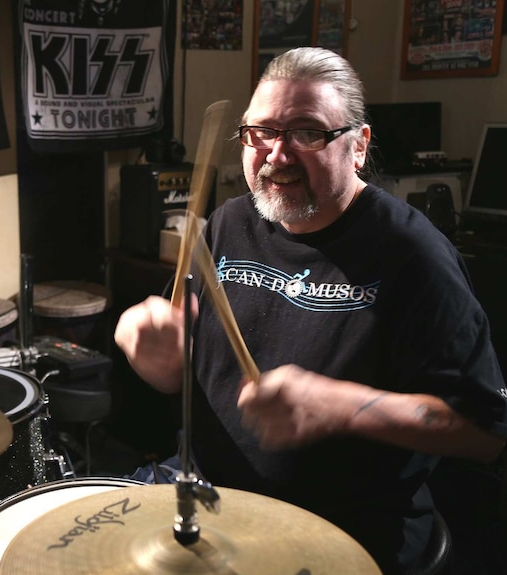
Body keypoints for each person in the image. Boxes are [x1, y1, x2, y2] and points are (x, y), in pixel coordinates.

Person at [114, 46, 507, 574]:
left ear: (359, 146)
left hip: (340, 533)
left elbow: (485, 431)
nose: (277, 154)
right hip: (209, 504)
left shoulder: (414, 254)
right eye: (261, 132)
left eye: (306, 132)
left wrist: (342, 406)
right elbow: (174, 362)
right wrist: (155, 349)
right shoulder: (230, 222)